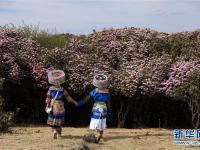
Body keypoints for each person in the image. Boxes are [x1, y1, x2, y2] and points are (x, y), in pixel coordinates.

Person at [77, 74, 111, 142]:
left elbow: (87, 99)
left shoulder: (94, 91)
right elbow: (108, 102)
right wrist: (109, 110)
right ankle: (100, 135)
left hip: (96, 108)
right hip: (104, 108)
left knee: (97, 121)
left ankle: (98, 134)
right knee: (102, 121)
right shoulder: (107, 92)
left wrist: (80, 103)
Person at [45, 69, 77, 139]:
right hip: (60, 106)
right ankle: (58, 133)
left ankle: (54, 131)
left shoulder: (51, 89)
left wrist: (47, 106)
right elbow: (68, 98)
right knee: (59, 121)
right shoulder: (62, 89)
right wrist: (75, 102)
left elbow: (48, 99)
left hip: (53, 105)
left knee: (52, 120)